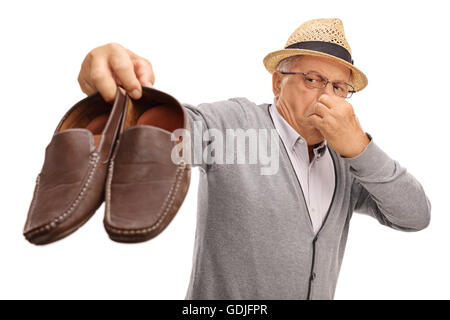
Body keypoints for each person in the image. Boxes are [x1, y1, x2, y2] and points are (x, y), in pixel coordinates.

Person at [77, 18, 431, 299]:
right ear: (278, 83)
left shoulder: (348, 160)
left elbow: (415, 215)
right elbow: (159, 135)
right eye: (313, 79)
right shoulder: (235, 125)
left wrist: (360, 148)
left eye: (339, 88)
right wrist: (119, 98)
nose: (328, 98)